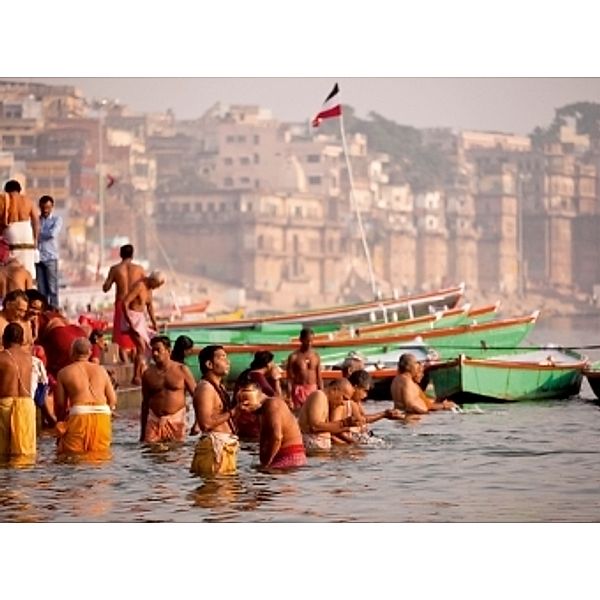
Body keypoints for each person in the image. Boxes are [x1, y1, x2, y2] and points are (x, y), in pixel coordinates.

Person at [54, 337, 117, 457]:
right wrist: (110, 411)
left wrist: (60, 427)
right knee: (100, 456)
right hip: (102, 414)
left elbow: (60, 405)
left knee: (71, 455)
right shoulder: (101, 370)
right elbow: (112, 399)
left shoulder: (63, 373)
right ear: (90, 352)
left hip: (79, 413)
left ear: (71, 352)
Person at [190, 345, 241, 476]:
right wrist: (233, 412)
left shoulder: (220, 387)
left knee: (226, 492)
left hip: (224, 446)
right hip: (214, 447)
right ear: (209, 364)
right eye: (222, 357)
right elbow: (205, 424)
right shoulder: (205, 388)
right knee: (214, 492)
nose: (227, 362)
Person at [237, 378, 306, 470]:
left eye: (247, 404)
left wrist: (267, 464)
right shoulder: (263, 409)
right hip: (281, 457)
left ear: (259, 395)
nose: (244, 409)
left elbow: (277, 437)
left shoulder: (272, 405)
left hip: (289, 458)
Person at [140, 335, 196, 443]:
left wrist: (197, 423)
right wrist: (142, 433)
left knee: (176, 455)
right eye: (153, 350)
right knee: (152, 455)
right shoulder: (148, 374)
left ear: (168, 351)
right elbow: (145, 404)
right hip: (154, 420)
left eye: (158, 350)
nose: (155, 354)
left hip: (177, 420)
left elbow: (197, 397)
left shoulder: (182, 370)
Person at [331, 369, 404, 444]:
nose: (365, 395)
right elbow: (333, 429)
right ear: (355, 387)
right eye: (364, 391)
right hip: (341, 446)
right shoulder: (341, 403)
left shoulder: (354, 402)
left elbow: (363, 420)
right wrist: (353, 443)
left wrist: (384, 414)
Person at [101, 243, 145, 363]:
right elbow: (145, 287)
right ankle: (135, 363)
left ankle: (126, 363)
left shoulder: (115, 269)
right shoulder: (139, 269)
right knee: (135, 334)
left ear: (120, 254)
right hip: (135, 303)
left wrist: (107, 283)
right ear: (132, 254)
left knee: (121, 337)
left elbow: (106, 288)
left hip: (121, 303)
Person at [121, 270, 165, 385]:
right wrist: (128, 320)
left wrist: (154, 324)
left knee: (148, 344)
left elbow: (150, 307)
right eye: (158, 285)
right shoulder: (140, 286)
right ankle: (136, 376)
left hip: (140, 319)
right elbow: (125, 302)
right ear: (153, 280)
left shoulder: (150, 290)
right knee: (141, 346)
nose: (157, 288)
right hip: (131, 317)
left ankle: (140, 373)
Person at [0, 323, 36, 463]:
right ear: (22, 340)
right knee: (24, 452)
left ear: (3, 339)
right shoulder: (30, 359)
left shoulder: (1, 358)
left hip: (5, 405)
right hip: (27, 405)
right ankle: (22, 482)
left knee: (3, 453)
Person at [232, 350, 284, 440]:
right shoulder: (258, 378)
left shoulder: (245, 374)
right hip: (253, 425)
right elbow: (278, 402)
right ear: (268, 364)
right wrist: (276, 379)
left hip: (239, 422)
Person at [297, 378, 361, 452]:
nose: (343, 403)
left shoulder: (325, 400)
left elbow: (327, 429)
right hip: (313, 450)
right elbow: (315, 426)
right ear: (334, 390)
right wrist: (344, 423)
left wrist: (347, 427)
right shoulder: (319, 396)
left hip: (319, 451)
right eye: (344, 398)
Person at [391, 353, 458, 415]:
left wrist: (443, 405)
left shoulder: (397, 380)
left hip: (407, 420)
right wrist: (427, 414)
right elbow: (410, 406)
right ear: (408, 366)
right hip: (411, 421)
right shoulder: (407, 382)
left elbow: (427, 405)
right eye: (415, 363)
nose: (417, 365)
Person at [0, 180, 40, 280]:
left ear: (6, 190)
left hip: (10, 231)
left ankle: (12, 287)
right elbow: (36, 221)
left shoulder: (3, 200)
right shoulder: (28, 201)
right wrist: (35, 239)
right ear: (19, 190)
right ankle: (29, 286)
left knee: (11, 265)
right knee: (28, 265)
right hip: (27, 233)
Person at [35, 195, 62, 309]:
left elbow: (52, 234)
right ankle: (44, 311)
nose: (45, 210)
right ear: (40, 207)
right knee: (41, 290)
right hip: (38, 257)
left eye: (48, 207)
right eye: (43, 208)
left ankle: (55, 310)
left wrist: (38, 235)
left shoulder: (57, 220)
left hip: (51, 258)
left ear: (52, 207)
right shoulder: (36, 220)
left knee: (52, 288)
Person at [286, 327, 323, 410]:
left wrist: (322, 393)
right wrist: (289, 397)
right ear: (301, 340)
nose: (309, 343)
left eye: (311, 341)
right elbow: (289, 379)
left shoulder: (316, 356)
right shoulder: (293, 357)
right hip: (299, 391)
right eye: (307, 341)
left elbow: (319, 377)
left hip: (313, 389)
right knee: (299, 415)